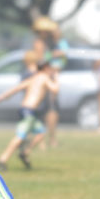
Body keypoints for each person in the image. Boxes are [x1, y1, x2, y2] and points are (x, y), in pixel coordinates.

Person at [0, 61, 59, 170]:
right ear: (45, 68)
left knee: (40, 133)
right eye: (50, 69)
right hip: (28, 111)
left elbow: (17, 88)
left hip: (27, 111)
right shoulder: (43, 77)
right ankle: (3, 159)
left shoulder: (33, 78)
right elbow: (55, 89)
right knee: (20, 136)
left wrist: (3, 96)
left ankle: (24, 153)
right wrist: (57, 78)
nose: (52, 71)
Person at [31, 17, 67, 148]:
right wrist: (53, 55)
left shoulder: (52, 44)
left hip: (51, 77)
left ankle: (51, 138)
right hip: (42, 79)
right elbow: (40, 61)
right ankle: (40, 140)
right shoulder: (39, 44)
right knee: (41, 109)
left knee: (52, 108)